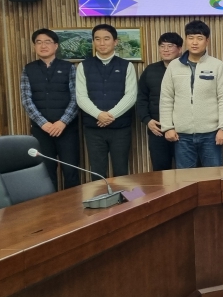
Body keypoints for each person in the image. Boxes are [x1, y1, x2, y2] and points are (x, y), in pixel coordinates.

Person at [159, 20, 223, 168]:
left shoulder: (217, 66)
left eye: (199, 38)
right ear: (186, 40)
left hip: (211, 134)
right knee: (185, 178)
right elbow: (166, 98)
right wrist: (167, 127)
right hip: (181, 135)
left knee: (214, 176)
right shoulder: (174, 66)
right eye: (190, 38)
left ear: (207, 41)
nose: (194, 42)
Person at [20, 28, 80, 189]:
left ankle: (73, 204)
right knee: (46, 173)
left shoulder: (68, 67)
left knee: (71, 171)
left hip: (67, 129)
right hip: (41, 130)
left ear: (56, 45)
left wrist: (62, 122)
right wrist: (43, 123)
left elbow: (76, 97)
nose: (43, 46)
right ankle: (49, 205)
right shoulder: (28, 69)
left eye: (47, 42)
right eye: (38, 42)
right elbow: (26, 99)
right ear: (34, 46)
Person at [76, 24, 137, 179]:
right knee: (97, 173)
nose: (102, 43)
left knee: (121, 171)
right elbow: (81, 97)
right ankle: (100, 196)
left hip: (120, 128)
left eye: (106, 39)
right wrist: (99, 115)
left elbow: (131, 96)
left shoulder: (127, 66)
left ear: (115, 42)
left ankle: (123, 196)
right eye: (97, 39)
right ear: (93, 42)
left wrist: (110, 116)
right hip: (94, 128)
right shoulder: (83, 66)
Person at [137, 32, 182, 171]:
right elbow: (141, 98)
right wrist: (147, 120)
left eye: (170, 46)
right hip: (157, 129)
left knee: (186, 172)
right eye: (162, 46)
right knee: (160, 171)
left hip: (182, 130)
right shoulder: (150, 70)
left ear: (180, 49)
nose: (166, 50)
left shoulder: (186, 69)